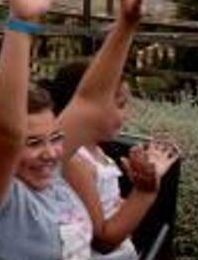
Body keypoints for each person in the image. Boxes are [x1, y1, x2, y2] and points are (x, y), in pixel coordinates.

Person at [0, 0, 148, 260]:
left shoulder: (48, 170)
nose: (51, 153)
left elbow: (88, 102)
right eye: (31, 142)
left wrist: (126, 24)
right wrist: (20, 23)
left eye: (55, 137)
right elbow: (5, 131)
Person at [44, 61, 179, 259]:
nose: (128, 115)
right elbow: (103, 241)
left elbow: (107, 208)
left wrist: (129, 200)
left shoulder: (95, 151)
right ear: (86, 107)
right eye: (121, 105)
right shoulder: (76, 163)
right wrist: (144, 191)